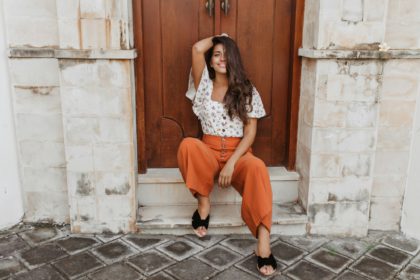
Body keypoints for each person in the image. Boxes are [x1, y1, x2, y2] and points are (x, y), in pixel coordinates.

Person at [177, 34, 277, 276]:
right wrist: (220, 37)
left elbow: (250, 132)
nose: (221, 58)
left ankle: (263, 243)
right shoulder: (204, 85)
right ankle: (203, 204)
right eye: (217, 54)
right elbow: (196, 47)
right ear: (211, 62)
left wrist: (232, 163)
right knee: (188, 145)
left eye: (226, 54)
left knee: (258, 168)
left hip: (239, 155)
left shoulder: (246, 89)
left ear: (234, 59)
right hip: (208, 151)